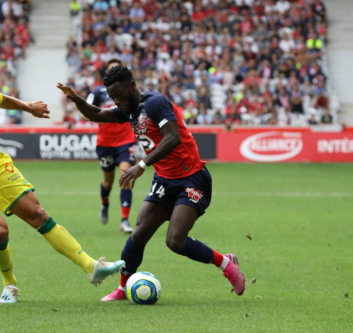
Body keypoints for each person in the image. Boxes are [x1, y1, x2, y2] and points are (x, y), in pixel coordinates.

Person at [0, 50, 125, 304]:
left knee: (38, 214)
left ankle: (92, 267)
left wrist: (29, 107)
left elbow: (1, 99)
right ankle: (9, 285)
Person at [57, 65, 245, 302]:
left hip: (191, 177)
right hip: (165, 179)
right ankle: (123, 289)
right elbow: (96, 114)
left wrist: (141, 165)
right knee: (139, 233)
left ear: (132, 86)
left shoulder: (155, 103)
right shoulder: (129, 109)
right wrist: (76, 99)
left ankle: (226, 263)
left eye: (119, 95)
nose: (116, 101)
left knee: (175, 241)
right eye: (112, 97)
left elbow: (173, 137)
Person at [86, 58, 137, 233]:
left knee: (126, 177)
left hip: (126, 141)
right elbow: (87, 111)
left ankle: (124, 221)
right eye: (110, 70)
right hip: (106, 143)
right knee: (107, 182)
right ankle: (105, 204)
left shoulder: (129, 90)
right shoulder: (99, 92)